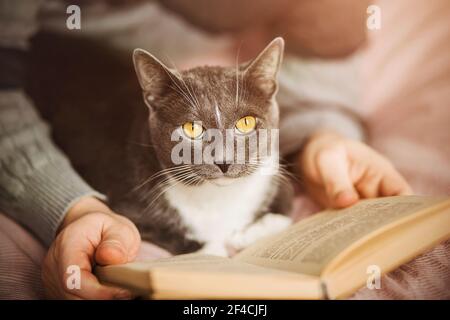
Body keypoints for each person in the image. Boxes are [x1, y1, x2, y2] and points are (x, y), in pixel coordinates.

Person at [0, 0, 411, 299]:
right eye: (196, 134)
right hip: (51, 51)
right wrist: (74, 208)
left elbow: (328, 42)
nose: (224, 158)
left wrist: (325, 133)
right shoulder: (138, 181)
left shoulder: (270, 172)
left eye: (247, 127)